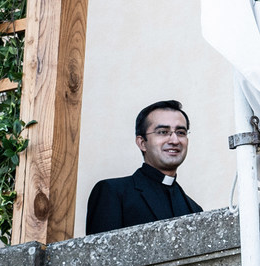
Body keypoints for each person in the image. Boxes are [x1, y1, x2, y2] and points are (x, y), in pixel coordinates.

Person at [86, 100, 203, 234]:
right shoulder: (113, 193)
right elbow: (100, 254)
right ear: (142, 143)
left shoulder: (194, 210)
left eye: (181, 132)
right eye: (163, 132)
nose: (174, 140)